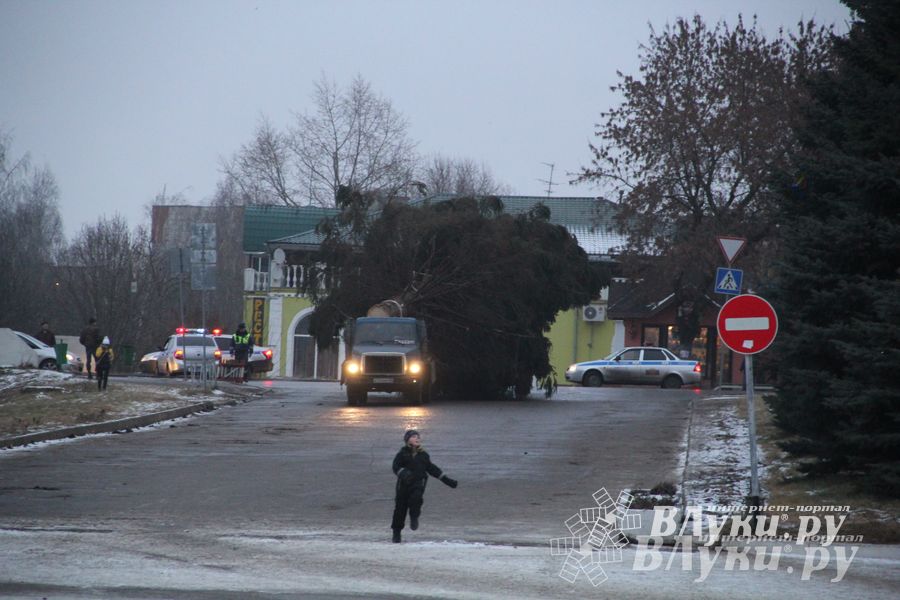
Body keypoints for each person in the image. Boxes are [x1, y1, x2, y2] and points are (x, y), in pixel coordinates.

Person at [391, 429, 458, 543]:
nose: (417, 438)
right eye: (414, 437)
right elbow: (395, 466)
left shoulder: (424, 455)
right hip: (403, 486)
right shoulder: (402, 454)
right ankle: (396, 533)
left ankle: (414, 517)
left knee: (416, 499)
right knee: (400, 510)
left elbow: (432, 469)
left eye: (418, 437)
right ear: (407, 440)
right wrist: (404, 474)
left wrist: (447, 480)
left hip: (418, 484)